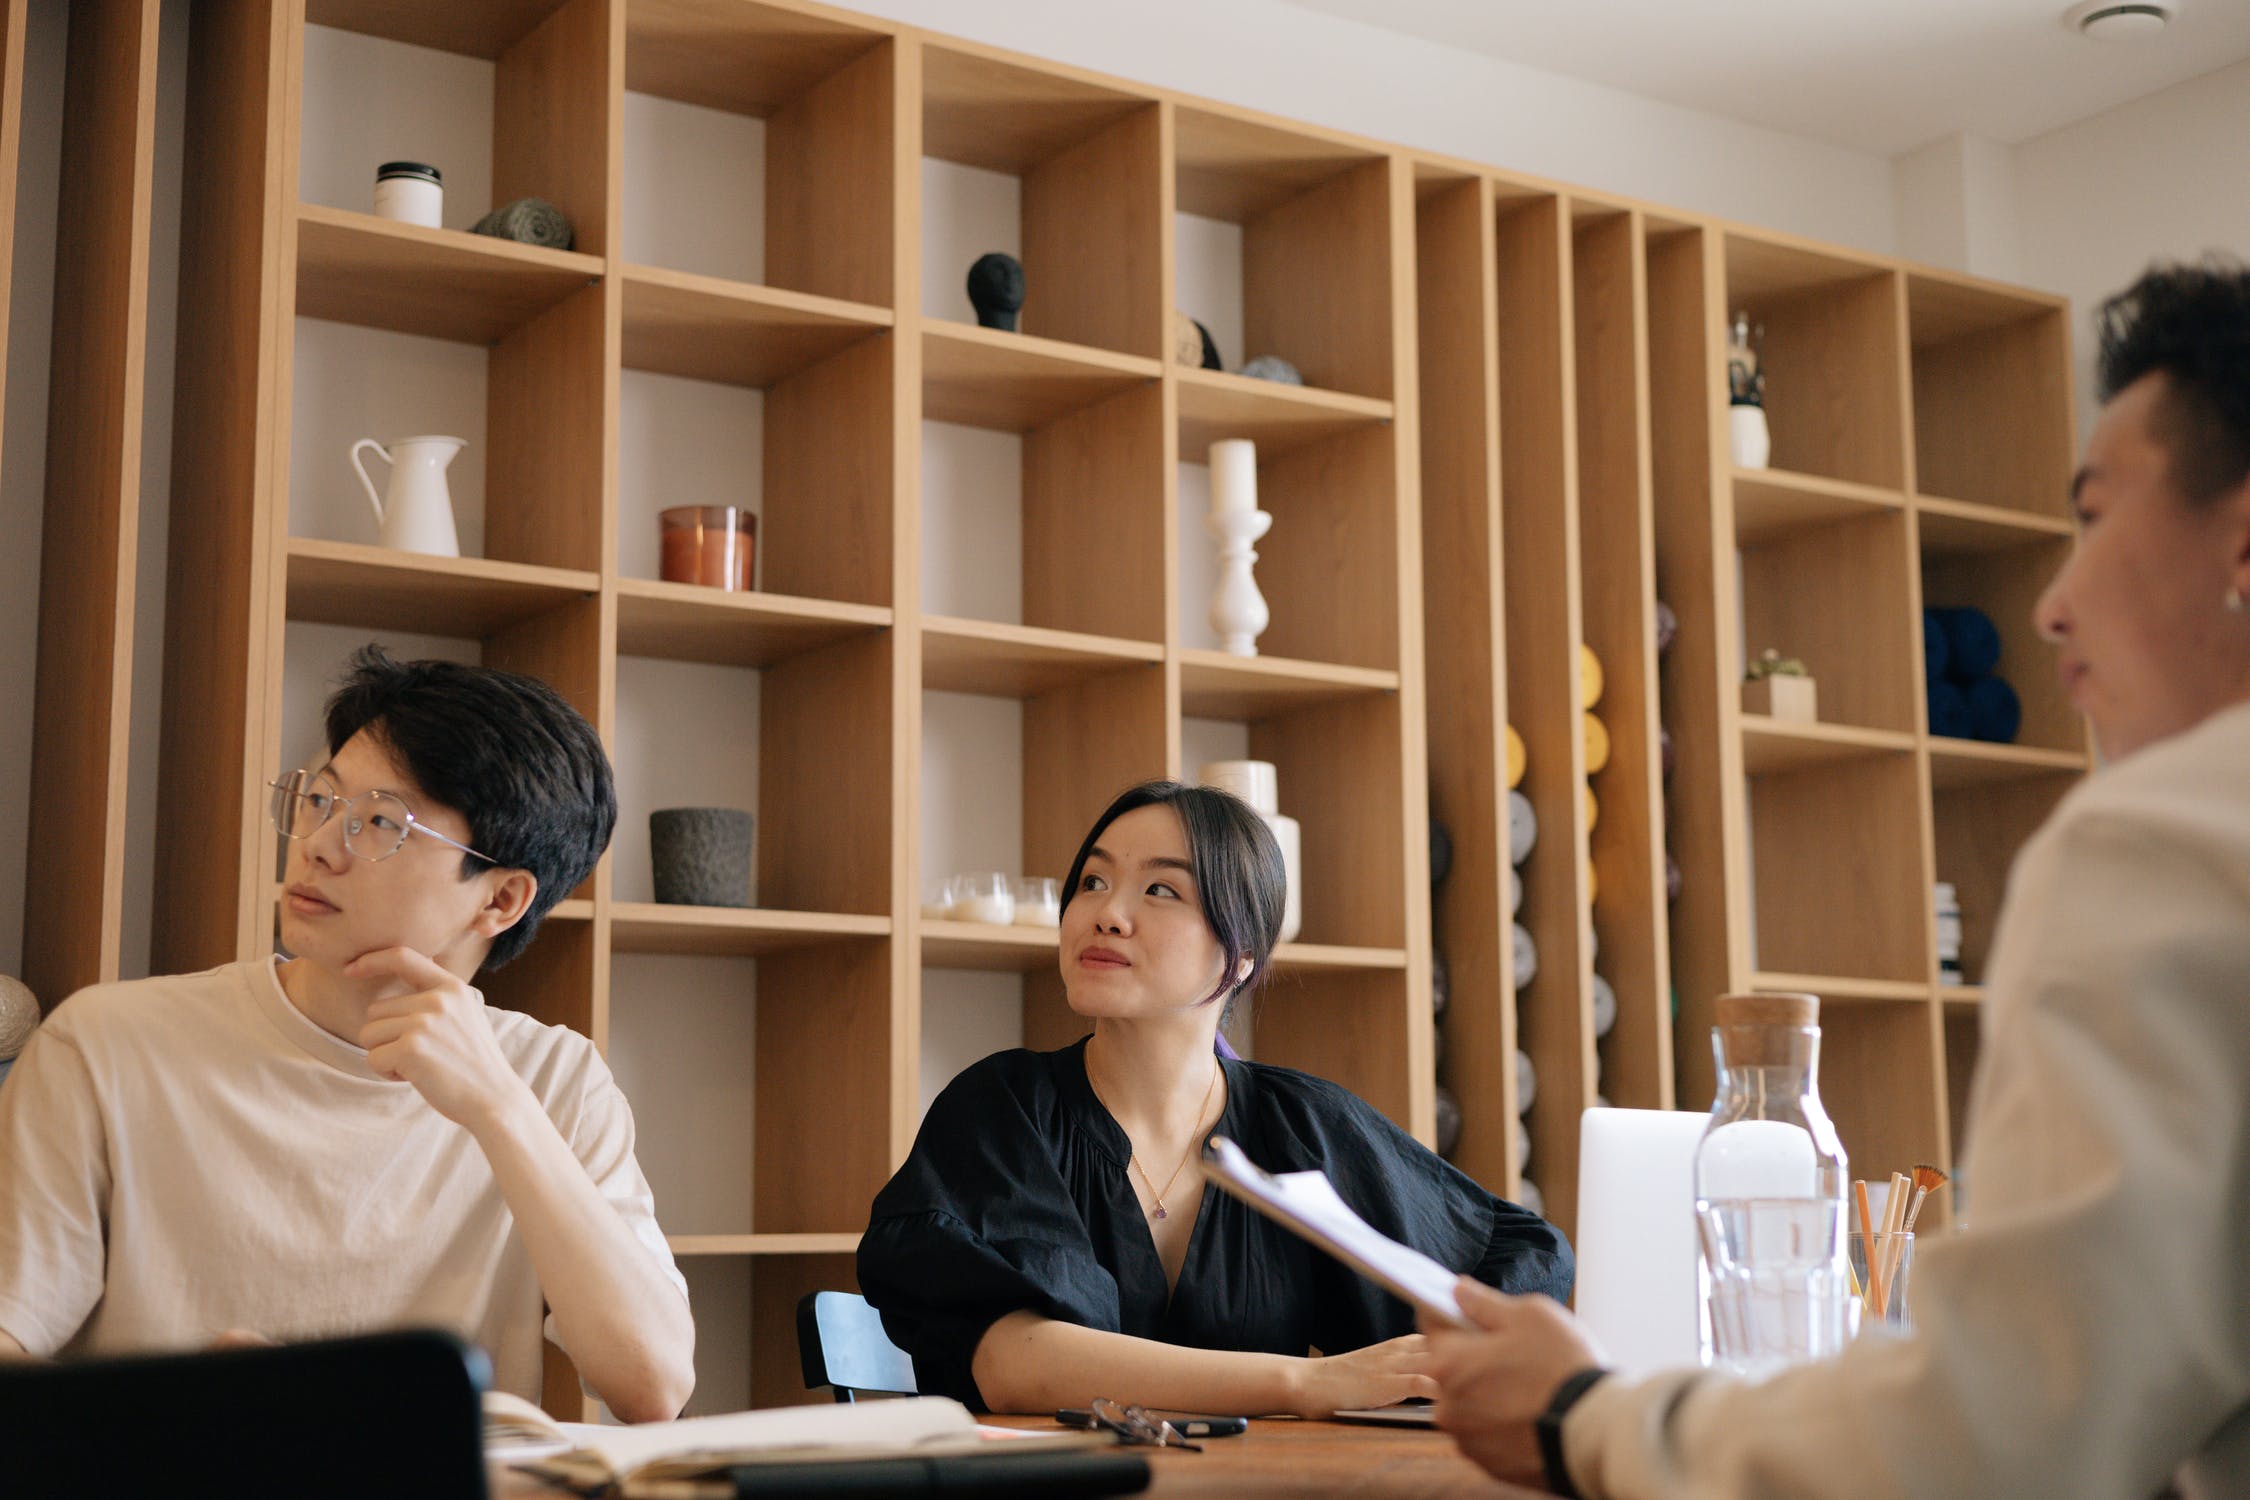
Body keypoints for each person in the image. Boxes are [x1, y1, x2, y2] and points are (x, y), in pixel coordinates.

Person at [1423, 258, 2250, 1498]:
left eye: (2090, 517)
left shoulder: (2160, 841)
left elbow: (2003, 1435)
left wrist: (1585, 1418)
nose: (2051, 605)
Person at [0, 646, 696, 1421]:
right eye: (321, 802)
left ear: (499, 900)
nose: (320, 845)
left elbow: (653, 1386)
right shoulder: (106, 1044)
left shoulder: (555, 1080)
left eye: (380, 824)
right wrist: (190, 1413)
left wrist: (500, 1108)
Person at [859, 780, 1571, 1416]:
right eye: (1093, 882)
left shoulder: (1303, 1127)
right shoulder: (1003, 1107)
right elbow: (1019, 1366)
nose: (1107, 914)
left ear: (1241, 955)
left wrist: (1441, 1356)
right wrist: (1309, 1383)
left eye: (1161, 890)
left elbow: (1512, 1261)